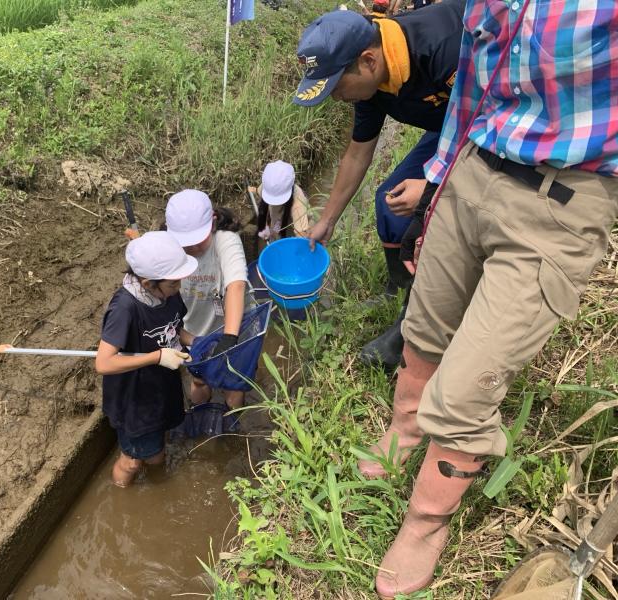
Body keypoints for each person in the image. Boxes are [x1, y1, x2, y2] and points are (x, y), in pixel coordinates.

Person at [370, 1, 618, 597]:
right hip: (470, 168)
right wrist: (438, 178)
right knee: (424, 330)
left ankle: (426, 522)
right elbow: (473, 87)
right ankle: (406, 425)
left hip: (562, 196)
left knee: (464, 390)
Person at [293, 2, 464, 369]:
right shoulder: (372, 83)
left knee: (433, 216)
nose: (337, 97)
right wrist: (328, 218)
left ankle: (409, 328)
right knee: (390, 203)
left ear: (368, 61)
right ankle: (398, 283)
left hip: (489, 125)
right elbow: (357, 154)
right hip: (449, 126)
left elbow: (494, 127)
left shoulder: (445, 49)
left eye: (337, 86)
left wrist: (433, 185)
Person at [95, 231, 197, 487]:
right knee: (132, 461)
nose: (178, 289)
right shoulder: (125, 308)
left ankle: (158, 487)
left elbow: (175, 328)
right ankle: (122, 497)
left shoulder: (169, 293)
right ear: (148, 282)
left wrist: (197, 341)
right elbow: (103, 363)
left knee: (156, 452)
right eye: (173, 284)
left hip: (162, 387)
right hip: (135, 399)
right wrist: (156, 357)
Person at [165, 189, 250, 410]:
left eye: (197, 240)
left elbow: (236, 285)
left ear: (212, 223)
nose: (191, 248)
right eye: (185, 242)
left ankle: (233, 430)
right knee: (199, 379)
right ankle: (200, 417)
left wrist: (230, 337)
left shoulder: (225, 240)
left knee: (234, 383)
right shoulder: (170, 249)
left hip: (234, 326)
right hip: (196, 329)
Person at [250, 160, 311, 242]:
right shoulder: (267, 186)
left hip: (296, 223)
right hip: (278, 222)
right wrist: (265, 228)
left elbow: (302, 236)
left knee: (289, 241)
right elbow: (257, 191)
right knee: (275, 235)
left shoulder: (298, 204)